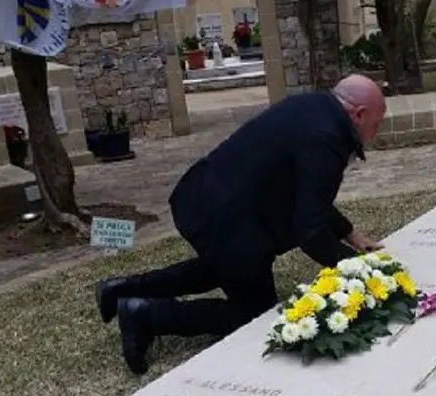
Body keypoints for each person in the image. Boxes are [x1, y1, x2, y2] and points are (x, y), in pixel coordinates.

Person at [94, 74, 388, 375]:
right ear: (359, 114)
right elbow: (310, 232)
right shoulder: (328, 138)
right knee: (255, 314)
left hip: (206, 197)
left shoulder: (313, 106)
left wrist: (349, 233)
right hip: (229, 220)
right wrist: (359, 271)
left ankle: (119, 289)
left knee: (222, 268)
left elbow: (308, 197)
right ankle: (146, 315)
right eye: (376, 124)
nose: (375, 133)